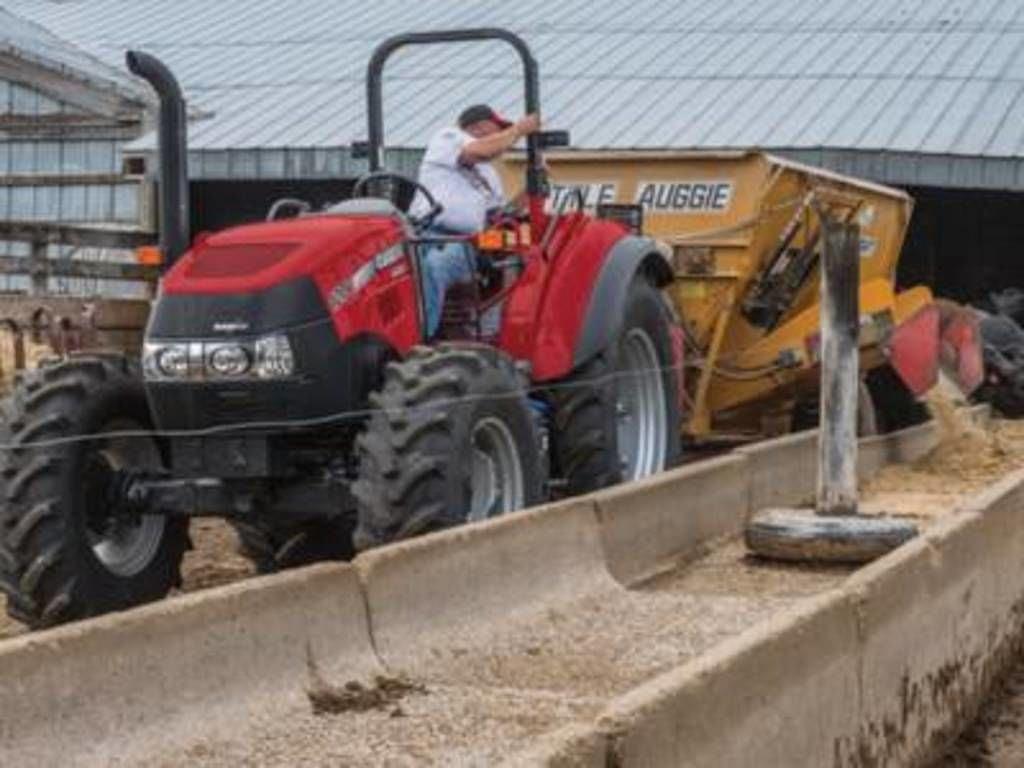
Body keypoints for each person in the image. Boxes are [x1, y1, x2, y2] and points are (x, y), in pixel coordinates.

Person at [410, 104, 540, 337]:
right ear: (477, 127)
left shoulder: (489, 175)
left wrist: (533, 187)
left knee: (435, 267)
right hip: (421, 233)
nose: (502, 135)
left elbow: (500, 216)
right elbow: (480, 152)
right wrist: (519, 130)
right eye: (497, 128)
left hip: (463, 240)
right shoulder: (449, 138)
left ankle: (419, 338)